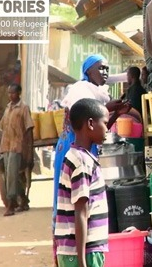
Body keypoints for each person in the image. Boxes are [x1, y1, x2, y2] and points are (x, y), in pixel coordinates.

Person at [52, 54, 130, 265]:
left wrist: (114, 111)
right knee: (70, 202)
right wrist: (82, 259)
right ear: (88, 71)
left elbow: (97, 126)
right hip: (69, 146)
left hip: (82, 146)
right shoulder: (81, 90)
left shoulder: (97, 98)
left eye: (107, 69)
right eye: (100, 68)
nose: (105, 73)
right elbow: (92, 122)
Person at [54, 98, 109, 267]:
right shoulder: (82, 162)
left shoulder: (76, 156)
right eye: (105, 123)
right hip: (85, 253)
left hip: (76, 252)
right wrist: (82, 260)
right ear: (91, 123)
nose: (107, 129)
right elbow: (81, 212)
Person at [0, 83, 33, 216]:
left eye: (13, 93)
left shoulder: (24, 108)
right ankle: (24, 200)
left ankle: (11, 204)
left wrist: (29, 151)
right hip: (6, 146)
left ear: (18, 93)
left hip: (17, 146)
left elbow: (29, 130)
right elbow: (3, 130)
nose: (10, 95)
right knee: (10, 175)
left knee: (11, 176)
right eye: (9, 93)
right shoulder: (8, 108)